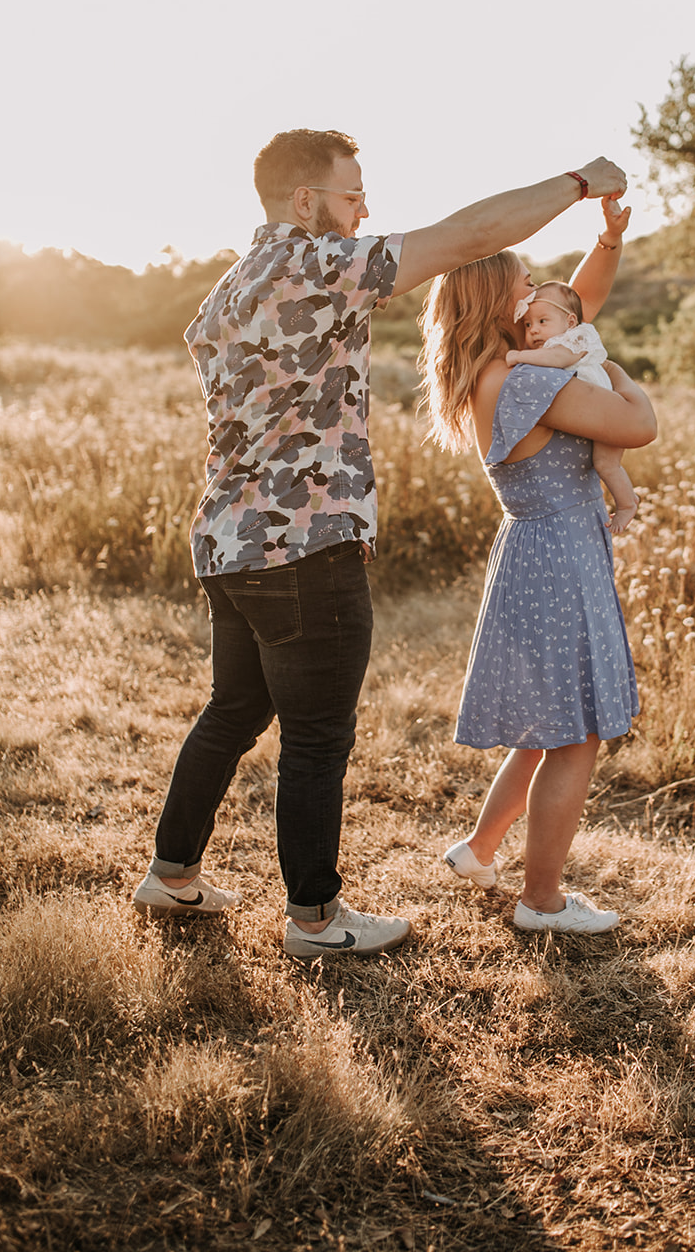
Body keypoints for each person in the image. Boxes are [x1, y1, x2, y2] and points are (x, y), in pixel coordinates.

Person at [131, 131, 627, 958]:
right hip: (305, 543)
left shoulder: (229, 287)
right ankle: (315, 920)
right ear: (305, 202)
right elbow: (471, 237)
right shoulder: (317, 265)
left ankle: (172, 873)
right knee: (318, 738)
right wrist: (580, 183)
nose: (364, 211)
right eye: (352, 194)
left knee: (232, 712)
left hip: (227, 538)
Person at [418, 236, 656, 934]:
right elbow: (638, 425)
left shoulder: (492, 370)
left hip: (533, 550)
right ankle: (541, 901)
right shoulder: (525, 380)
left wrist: (609, 239)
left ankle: (479, 849)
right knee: (575, 733)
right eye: (524, 287)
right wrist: (615, 368)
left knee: (545, 723)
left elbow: (576, 306)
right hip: (559, 557)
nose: (535, 296)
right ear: (496, 301)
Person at [504, 278, 638, 534]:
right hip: (597, 412)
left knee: (606, 464)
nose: (533, 330)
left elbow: (557, 358)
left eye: (543, 321)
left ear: (570, 322)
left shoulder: (573, 341)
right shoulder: (554, 342)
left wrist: (518, 356)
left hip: (609, 413)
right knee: (602, 463)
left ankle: (627, 504)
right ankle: (626, 500)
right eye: (528, 324)